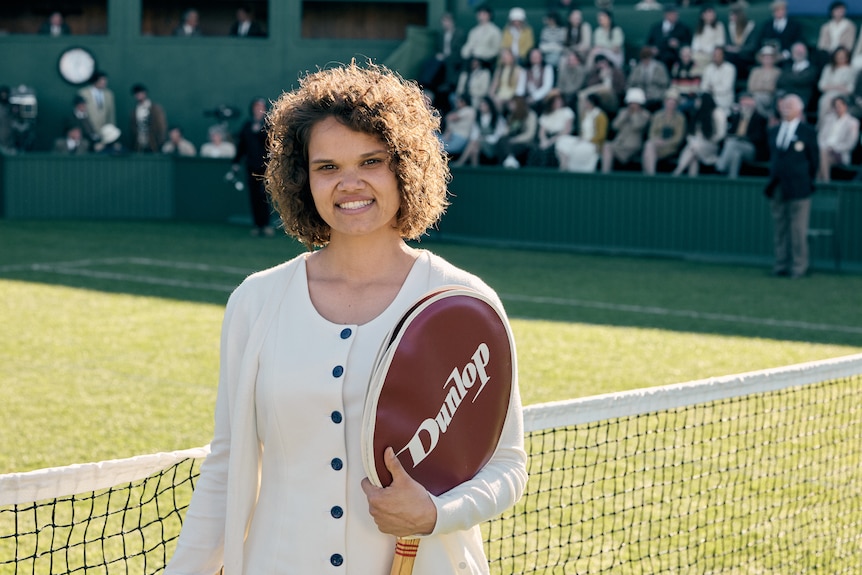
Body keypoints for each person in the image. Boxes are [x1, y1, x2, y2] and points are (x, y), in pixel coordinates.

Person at [163, 60, 527, 574]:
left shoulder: (463, 303)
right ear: (302, 179)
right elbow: (226, 466)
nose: (349, 184)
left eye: (371, 161)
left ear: (405, 167)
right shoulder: (256, 302)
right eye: (327, 167)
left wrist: (434, 514)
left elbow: (507, 465)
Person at [764, 93, 819, 278]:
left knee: (798, 229)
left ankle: (799, 266)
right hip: (777, 186)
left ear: (799, 109)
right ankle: (781, 264)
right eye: (784, 105)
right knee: (780, 228)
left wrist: (806, 180)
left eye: (790, 105)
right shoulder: (773, 131)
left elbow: (814, 161)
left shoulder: (807, 132)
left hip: (799, 187)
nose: (786, 108)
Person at [232, 97, 272, 236]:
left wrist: (260, 131)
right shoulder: (247, 126)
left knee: (264, 195)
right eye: (256, 107)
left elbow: (272, 144)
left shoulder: (269, 125)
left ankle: (266, 225)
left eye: (261, 107)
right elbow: (241, 146)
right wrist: (236, 163)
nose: (258, 110)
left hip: (266, 167)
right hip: (251, 167)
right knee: (254, 196)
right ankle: (257, 225)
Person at [715, 91, 769, 178]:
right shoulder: (736, 117)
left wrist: (743, 138)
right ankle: (732, 179)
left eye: (747, 103)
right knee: (736, 155)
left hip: (751, 148)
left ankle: (720, 167)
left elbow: (759, 137)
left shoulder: (759, 118)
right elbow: (730, 132)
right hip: (736, 147)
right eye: (743, 103)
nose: (745, 106)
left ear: (753, 103)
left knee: (732, 143)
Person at [672, 92, 727, 176]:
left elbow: (721, 134)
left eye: (698, 100)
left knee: (693, 147)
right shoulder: (696, 112)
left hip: (711, 146)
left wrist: (707, 140)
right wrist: (694, 141)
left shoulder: (717, 112)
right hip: (695, 144)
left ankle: (677, 173)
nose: (696, 102)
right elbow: (691, 134)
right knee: (693, 152)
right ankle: (691, 180)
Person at [600, 87, 651, 172]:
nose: (632, 105)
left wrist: (634, 114)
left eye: (635, 103)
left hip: (632, 146)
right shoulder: (623, 112)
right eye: (631, 103)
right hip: (619, 144)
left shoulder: (645, 115)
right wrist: (624, 116)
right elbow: (615, 126)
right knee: (607, 146)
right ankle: (605, 173)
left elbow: (637, 126)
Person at [555, 92, 607, 172]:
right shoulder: (585, 114)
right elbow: (582, 131)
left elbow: (601, 135)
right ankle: (564, 165)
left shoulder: (601, 116)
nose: (585, 104)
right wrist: (581, 139)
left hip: (593, 143)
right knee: (562, 141)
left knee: (579, 150)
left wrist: (588, 140)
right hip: (582, 140)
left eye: (586, 102)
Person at [641, 88, 687, 175]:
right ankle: (651, 174)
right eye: (669, 102)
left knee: (648, 149)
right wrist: (656, 140)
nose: (671, 105)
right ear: (665, 102)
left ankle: (648, 175)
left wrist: (666, 142)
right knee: (649, 146)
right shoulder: (657, 115)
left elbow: (679, 137)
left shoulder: (680, 118)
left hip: (670, 147)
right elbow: (652, 133)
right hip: (656, 144)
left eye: (673, 103)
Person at [453, 96, 507, 167]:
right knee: (475, 148)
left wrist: (484, 138)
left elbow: (499, 134)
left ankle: (461, 162)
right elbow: (474, 134)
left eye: (484, 105)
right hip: (480, 143)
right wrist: (479, 139)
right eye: (481, 105)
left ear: (489, 106)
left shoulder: (497, 118)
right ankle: (474, 167)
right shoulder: (478, 118)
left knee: (474, 143)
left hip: (493, 144)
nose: (482, 107)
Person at [526, 89, 575, 167]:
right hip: (548, 137)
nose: (558, 103)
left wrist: (552, 140)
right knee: (535, 151)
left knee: (551, 151)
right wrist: (543, 140)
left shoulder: (567, 112)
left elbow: (566, 131)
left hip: (560, 138)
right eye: (555, 101)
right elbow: (542, 132)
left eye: (559, 100)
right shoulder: (546, 115)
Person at [816, 95, 859, 182]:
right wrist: (825, 147)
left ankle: (822, 182)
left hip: (839, 153)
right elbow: (821, 137)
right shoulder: (828, 119)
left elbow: (850, 144)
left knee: (822, 155)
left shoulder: (852, 122)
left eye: (840, 105)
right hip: (824, 150)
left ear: (845, 106)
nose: (837, 108)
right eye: (835, 106)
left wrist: (834, 148)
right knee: (823, 155)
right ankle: (825, 181)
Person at [645, 4, 693, 72]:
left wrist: (678, 45)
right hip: (658, 55)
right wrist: (652, 49)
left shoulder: (683, 28)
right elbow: (649, 43)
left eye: (675, 14)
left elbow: (687, 44)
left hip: (675, 56)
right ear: (665, 15)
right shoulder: (656, 28)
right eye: (671, 14)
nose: (673, 16)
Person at [753, 0, 803, 65]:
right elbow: (760, 41)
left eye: (782, 9)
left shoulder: (794, 26)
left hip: (788, 59)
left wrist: (784, 55)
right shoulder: (767, 25)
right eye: (777, 10)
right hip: (768, 57)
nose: (780, 12)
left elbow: (798, 42)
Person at [817, 47, 857, 124]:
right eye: (838, 55)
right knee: (825, 101)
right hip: (827, 95)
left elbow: (850, 89)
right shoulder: (828, 68)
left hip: (842, 96)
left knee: (835, 103)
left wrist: (834, 87)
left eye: (843, 56)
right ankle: (821, 124)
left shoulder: (851, 70)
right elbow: (821, 86)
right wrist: (837, 86)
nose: (841, 58)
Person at [776, 42, 820, 113]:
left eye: (801, 51)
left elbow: (804, 81)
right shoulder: (787, 67)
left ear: (806, 52)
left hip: (802, 96)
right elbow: (780, 81)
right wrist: (796, 79)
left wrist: (789, 79)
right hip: (785, 95)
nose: (799, 53)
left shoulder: (812, 68)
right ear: (792, 53)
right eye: (796, 51)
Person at [497, 95, 539, 168]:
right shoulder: (511, 116)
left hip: (525, 142)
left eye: (512, 103)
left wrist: (515, 140)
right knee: (501, 140)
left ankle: (510, 159)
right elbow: (506, 132)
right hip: (511, 141)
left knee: (508, 145)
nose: (509, 106)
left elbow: (530, 134)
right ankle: (509, 159)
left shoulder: (531, 115)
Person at [626, 45, 671, 112]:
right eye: (644, 59)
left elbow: (665, 83)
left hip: (656, 95)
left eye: (647, 58)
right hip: (640, 95)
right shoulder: (637, 68)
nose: (646, 61)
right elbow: (630, 82)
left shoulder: (659, 67)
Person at [460, 4, 502, 70]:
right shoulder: (473, 31)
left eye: (484, 14)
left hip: (487, 63)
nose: (481, 16)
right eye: (479, 14)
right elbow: (468, 46)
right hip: (471, 61)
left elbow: (496, 50)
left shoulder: (495, 31)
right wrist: (467, 53)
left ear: (489, 15)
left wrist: (481, 54)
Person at [129, 84, 167, 153]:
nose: (138, 95)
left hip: (153, 143)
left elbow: (161, 126)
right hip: (139, 144)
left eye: (140, 93)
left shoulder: (155, 109)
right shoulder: (134, 111)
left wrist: (160, 141)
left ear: (145, 93)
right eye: (136, 94)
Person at [691, 6, 726, 77]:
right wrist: (699, 49)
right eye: (708, 14)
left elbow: (720, 42)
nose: (710, 16)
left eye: (712, 14)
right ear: (703, 15)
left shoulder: (719, 26)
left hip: (712, 53)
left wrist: (707, 49)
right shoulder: (699, 27)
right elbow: (695, 43)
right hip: (699, 53)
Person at [747, 46, 781, 119]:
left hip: (770, 97)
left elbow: (772, 88)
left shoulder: (777, 72)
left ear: (774, 58)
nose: (767, 59)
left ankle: (766, 117)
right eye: (765, 57)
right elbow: (751, 87)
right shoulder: (755, 71)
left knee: (756, 99)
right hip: (754, 95)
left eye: (770, 57)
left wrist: (760, 86)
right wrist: (765, 86)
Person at [700, 46, 737, 112]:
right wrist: (714, 88)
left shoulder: (730, 68)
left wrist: (711, 88)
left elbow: (725, 88)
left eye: (719, 54)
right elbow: (703, 86)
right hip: (709, 98)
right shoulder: (708, 68)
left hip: (723, 99)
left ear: (723, 55)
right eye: (714, 55)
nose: (716, 57)